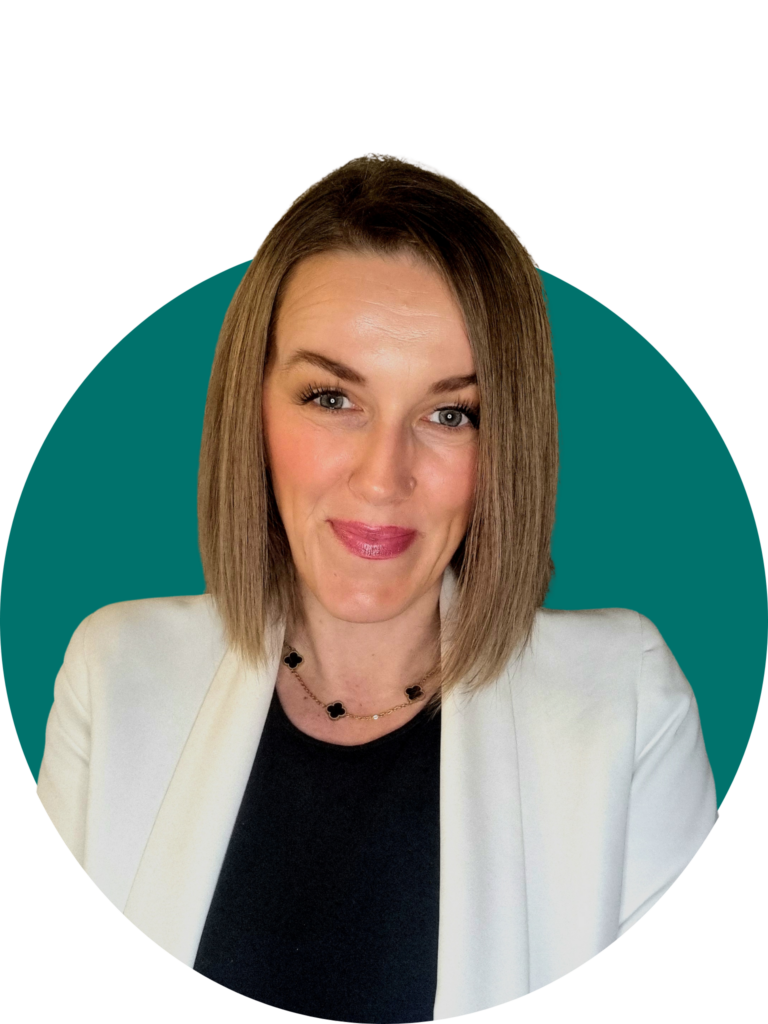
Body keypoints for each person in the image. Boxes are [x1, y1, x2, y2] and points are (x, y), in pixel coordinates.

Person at [35, 153, 719, 1021]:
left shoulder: (625, 702)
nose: (382, 476)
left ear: (505, 445)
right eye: (332, 398)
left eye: (450, 413)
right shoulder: (114, 672)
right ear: (254, 408)